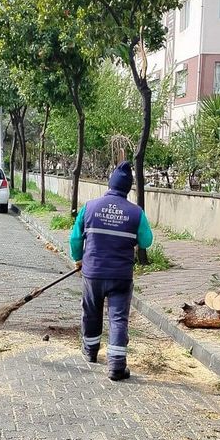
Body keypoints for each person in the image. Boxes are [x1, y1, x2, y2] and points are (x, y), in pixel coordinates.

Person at [69, 161, 153, 381]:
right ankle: (116, 366)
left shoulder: (89, 207)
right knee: (118, 319)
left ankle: (90, 352)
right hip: (121, 276)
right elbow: (146, 241)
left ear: (109, 184)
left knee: (91, 312)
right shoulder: (136, 213)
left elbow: (75, 238)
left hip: (93, 273)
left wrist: (78, 259)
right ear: (128, 187)